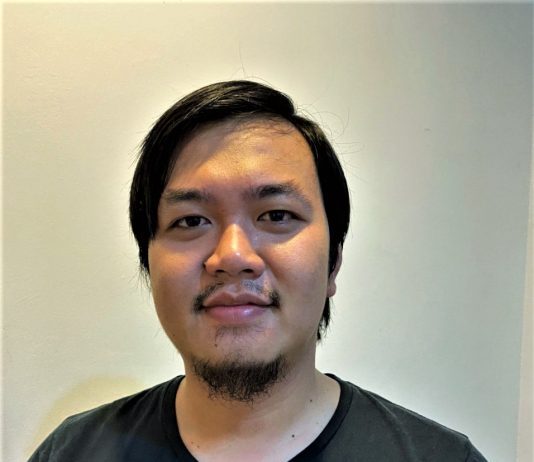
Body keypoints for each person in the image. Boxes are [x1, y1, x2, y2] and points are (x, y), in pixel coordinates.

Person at [29, 80, 487, 461]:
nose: (232, 256)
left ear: (334, 261)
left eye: (276, 215)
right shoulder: (71, 453)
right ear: (148, 261)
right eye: (191, 221)